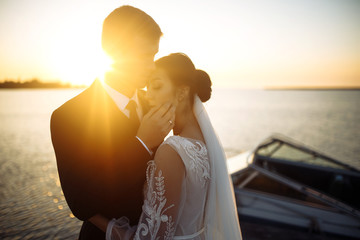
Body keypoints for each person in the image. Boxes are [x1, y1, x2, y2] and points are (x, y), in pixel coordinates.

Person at [50, 6, 175, 240]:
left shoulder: (154, 106)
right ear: (111, 51)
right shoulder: (67, 116)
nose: (151, 66)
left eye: (154, 56)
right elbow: (80, 202)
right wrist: (141, 144)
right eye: (143, 55)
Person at [102, 53, 243, 239]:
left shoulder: (172, 151)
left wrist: (106, 225)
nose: (148, 96)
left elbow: (156, 236)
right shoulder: (204, 141)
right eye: (147, 88)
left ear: (182, 93)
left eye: (157, 86)